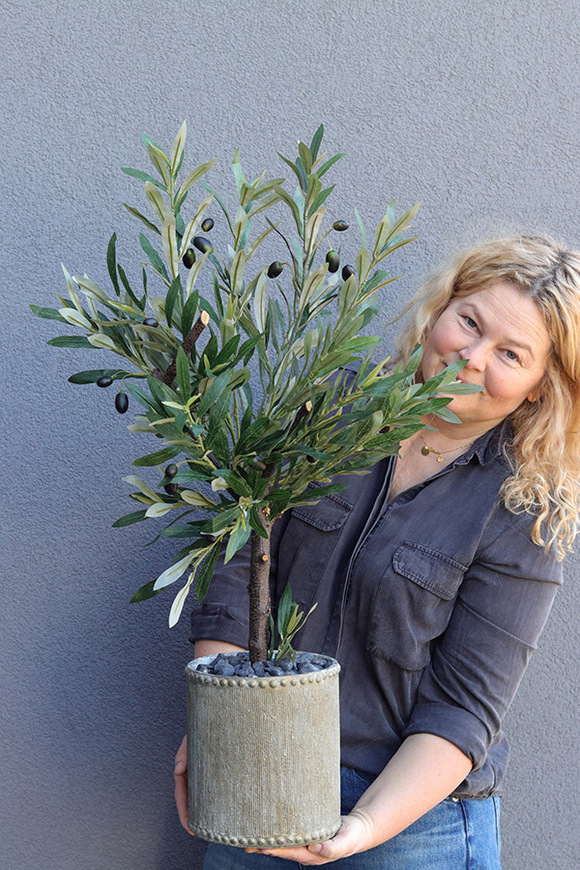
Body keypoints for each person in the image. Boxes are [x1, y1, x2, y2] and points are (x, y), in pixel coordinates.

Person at [174, 235, 580, 869]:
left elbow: (465, 708)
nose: (471, 358)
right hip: (261, 774)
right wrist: (220, 725)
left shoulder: (523, 513)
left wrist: (360, 828)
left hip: (411, 826)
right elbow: (234, 570)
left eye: (510, 353)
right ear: (440, 308)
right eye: (468, 322)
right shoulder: (327, 405)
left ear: (537, 387)